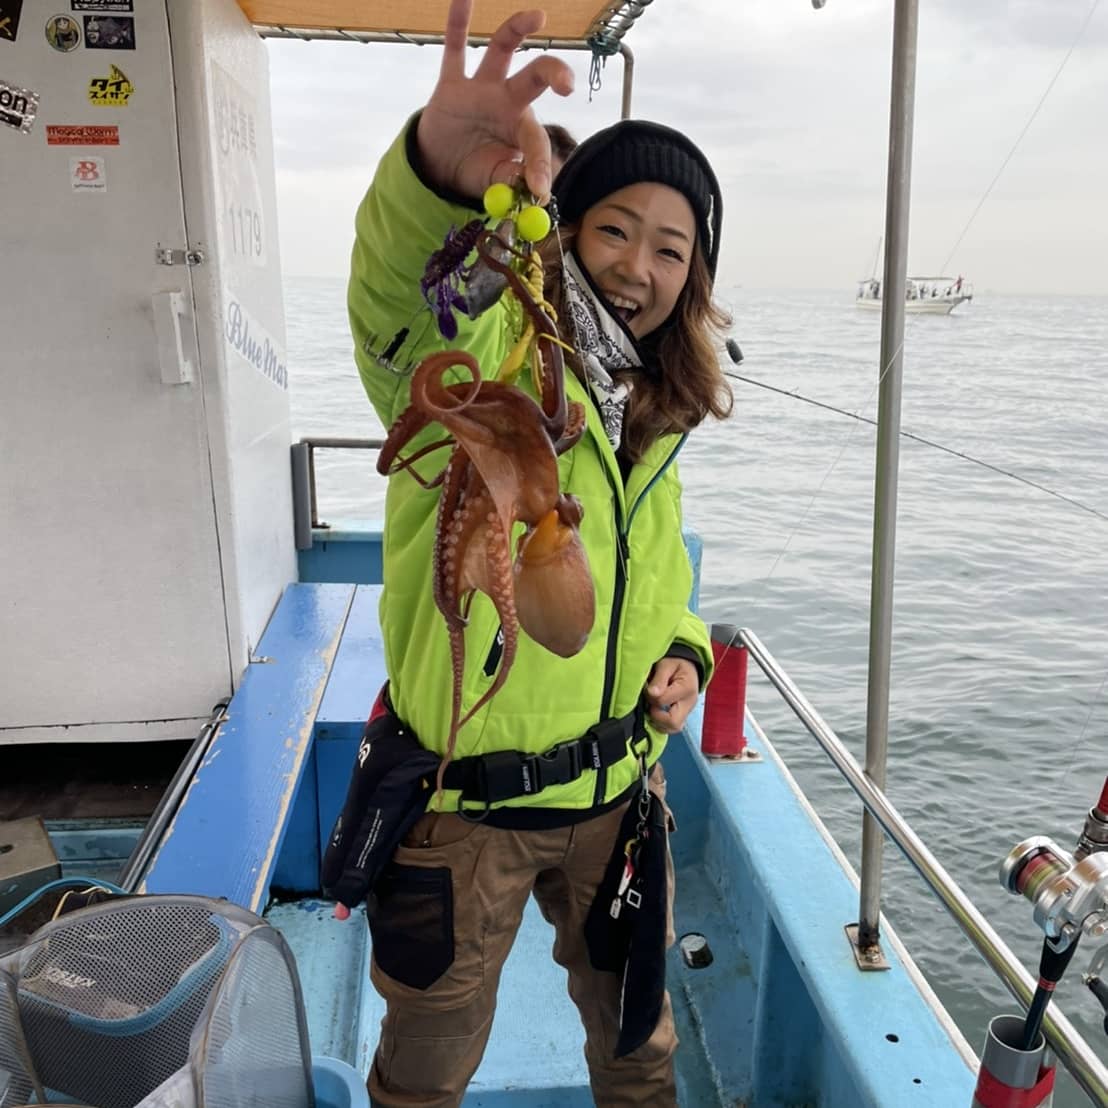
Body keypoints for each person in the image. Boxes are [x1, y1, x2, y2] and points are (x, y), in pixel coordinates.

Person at [346, 2, 732, 1104]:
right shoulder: (483, 351)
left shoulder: (655, 408)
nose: (638, 265)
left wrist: (684, 649)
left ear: (693, 276)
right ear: (564, 227)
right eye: (614, 229)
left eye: (671, 248)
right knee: (427, 1061)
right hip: (463, 813)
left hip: (618, 800)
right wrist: (434, 183)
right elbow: (402, 310)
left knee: (639, 1051)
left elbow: (656, 578)